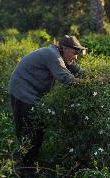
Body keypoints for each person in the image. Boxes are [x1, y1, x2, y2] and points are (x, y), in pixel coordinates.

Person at [9, 35, 87, 167]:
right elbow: (67, 79)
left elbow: (79, 71)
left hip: (30, 91)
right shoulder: (53, 56)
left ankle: (28, 161)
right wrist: (92, 82)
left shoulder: (63, 56)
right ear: (64, 48)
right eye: (75, 52)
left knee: (35, 129)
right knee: (30, 130)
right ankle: (25, 166)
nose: (76, 56)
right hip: (22, 91)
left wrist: (100, 77)